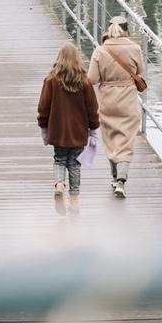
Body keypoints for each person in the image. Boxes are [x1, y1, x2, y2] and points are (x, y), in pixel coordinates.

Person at [37, 42, 99, 214]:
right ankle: (74, 200)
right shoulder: (84, 82)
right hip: (78, 131)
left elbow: (43, 107)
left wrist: (44, 126)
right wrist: (93, 128)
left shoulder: (51, 81)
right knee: (74, 165)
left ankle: (59, 186)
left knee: (59, 160)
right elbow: (92, 108)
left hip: (58, 131)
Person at [88, 15, 145, 198]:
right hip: (128, 98)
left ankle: (114, 176)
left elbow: (92, 79)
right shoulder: (135, 48)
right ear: (126, 30)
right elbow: (140, 70)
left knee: (111, 137)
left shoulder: (100, 51)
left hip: (107, 99)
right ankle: (121, 179)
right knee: (126, 139)